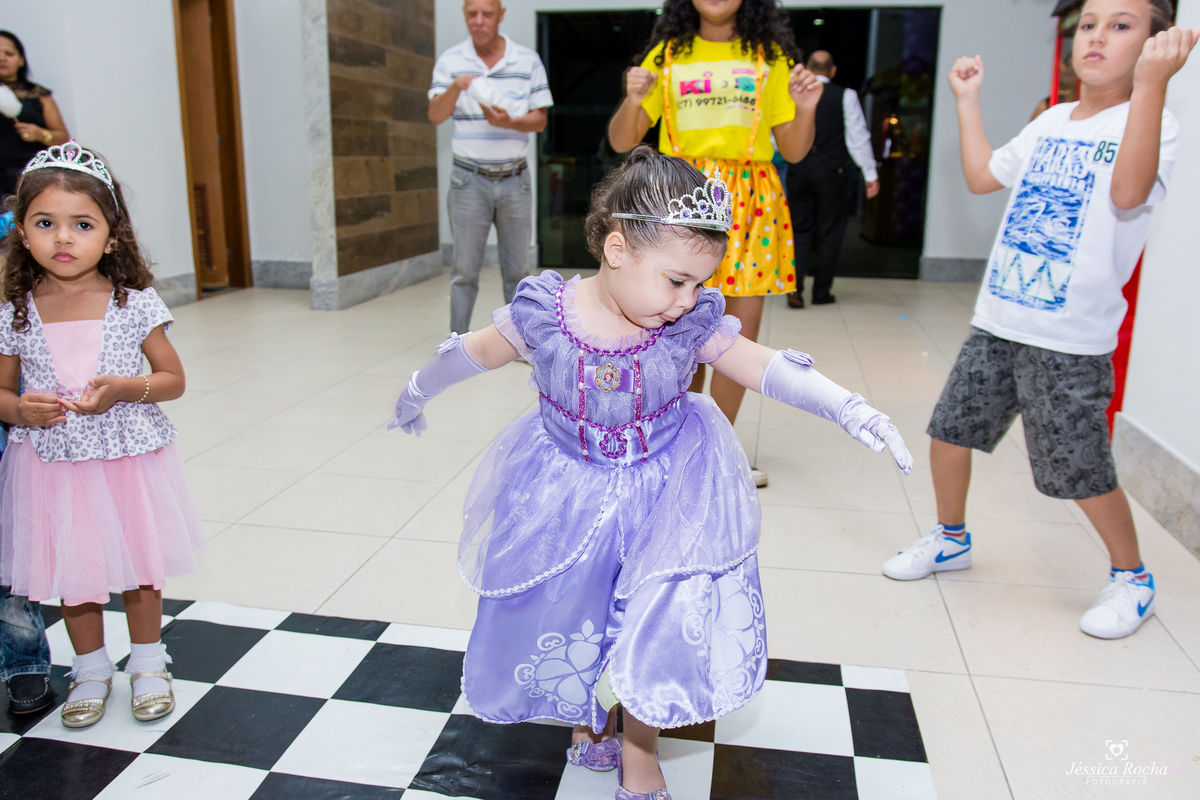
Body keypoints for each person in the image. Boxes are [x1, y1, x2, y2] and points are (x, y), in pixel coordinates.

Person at [389, 147, 913, 799]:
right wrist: (415, 390)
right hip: (567, 486)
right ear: (617, 249)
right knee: (579, 607)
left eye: (699, 284)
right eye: (676, 281)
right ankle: (588, 713)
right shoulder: (545, 314)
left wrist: (847, 407)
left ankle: (641, 746)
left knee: (652, 619)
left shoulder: (685, 324)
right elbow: (473, 352)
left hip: (665, 488)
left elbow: (759, 364)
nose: (689, 300)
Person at [881, 0, 1195, 640]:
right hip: (1000, 317)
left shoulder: (1152, 122)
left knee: (1077, 468)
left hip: (1069, 338)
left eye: (1122, 25)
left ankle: (1133, 578)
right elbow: (981, 176)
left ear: (1155, 45)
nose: (1097, 36)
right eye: (1089, 25)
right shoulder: (1051, 120)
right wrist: (967, 100)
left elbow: (1128, 194)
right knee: (950, 433)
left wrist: (1152, 86)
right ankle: (951, 538)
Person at [0, 141, 203, 727]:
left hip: (125, 459)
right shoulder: (15, 310)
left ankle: (149, 663)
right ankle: (90, 670)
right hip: (53, 463)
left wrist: (122, 388)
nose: (63, 238)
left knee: (140, 567)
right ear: (22, 233)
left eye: (82, 224)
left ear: (112, 237)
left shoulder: (133, 303)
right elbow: (2, 395)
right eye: (45, 223)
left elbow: (172, 380)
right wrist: (21, 409)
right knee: (76, 571)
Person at [607, 0, 823, 488]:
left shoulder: (768, 56)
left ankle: (718, 447)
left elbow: (793, 149)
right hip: (681, 198)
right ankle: (670, 438)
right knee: (670, 326)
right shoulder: (668, 54)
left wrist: (806, 107)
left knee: (737, 333)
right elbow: (622, 140)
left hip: (750, 203)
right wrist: (632, 98)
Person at [428, 0, 553, 336]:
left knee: (518, 272)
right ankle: (456, 342)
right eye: (472, 14)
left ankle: (519, 341)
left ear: (501, 15)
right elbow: (435, 115)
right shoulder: (450, 61)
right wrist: (457, 86)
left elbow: (540, 120)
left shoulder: (527, 60)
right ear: (465, 15)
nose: (479, 21)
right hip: (468, 180)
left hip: (515, 180)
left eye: (487, 14)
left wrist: (508, 122)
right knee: (464, 272)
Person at [784, 50, 879, 309]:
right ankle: (821, 292)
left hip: (799, 170)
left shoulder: (793, 94)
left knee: (798, 231)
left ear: (808, 68)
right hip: (831, 172)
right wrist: (870, 173)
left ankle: (794, 290)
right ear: (832, 70)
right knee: (830, 232)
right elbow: (858, 137)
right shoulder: (845, 95)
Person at [0, 31, 69, 200]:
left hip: (31, 174)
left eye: (8, 53)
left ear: (21, 60)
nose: (1, 58)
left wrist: (40, 134)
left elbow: (63, 137)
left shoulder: (39, 95)